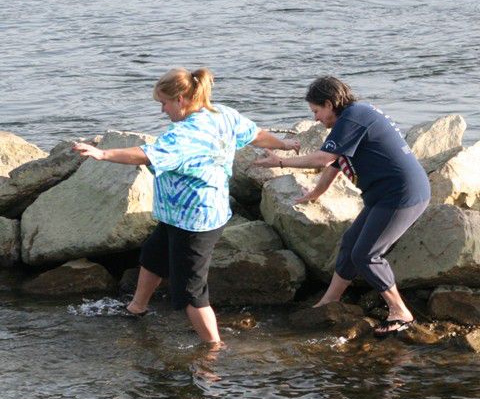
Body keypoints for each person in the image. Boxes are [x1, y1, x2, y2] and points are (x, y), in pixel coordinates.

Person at [73, 67, 299, 344]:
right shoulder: (221, 114)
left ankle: (213, 348)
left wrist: (103, 152)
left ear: (180, 99)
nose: (162, 111)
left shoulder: (185, 135)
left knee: (191, 291)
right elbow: (257, 134)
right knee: (154, 254)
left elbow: (143, 155)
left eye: (163, 103)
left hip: (194, 221)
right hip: (184, 213)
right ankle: (137, 307)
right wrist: (286, 144)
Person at [253, 76, 431, 337]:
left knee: (367, 254)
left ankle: (400, 310)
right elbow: (336, 165)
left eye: (316, 111)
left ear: (329, 103)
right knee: (350, 243)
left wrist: (280, 162)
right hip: (385, 195)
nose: (315, 119)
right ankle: (330, 299)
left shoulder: (354, 117)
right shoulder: (355, 115)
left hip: (401, 195)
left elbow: (325, 159)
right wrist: (315, 193)